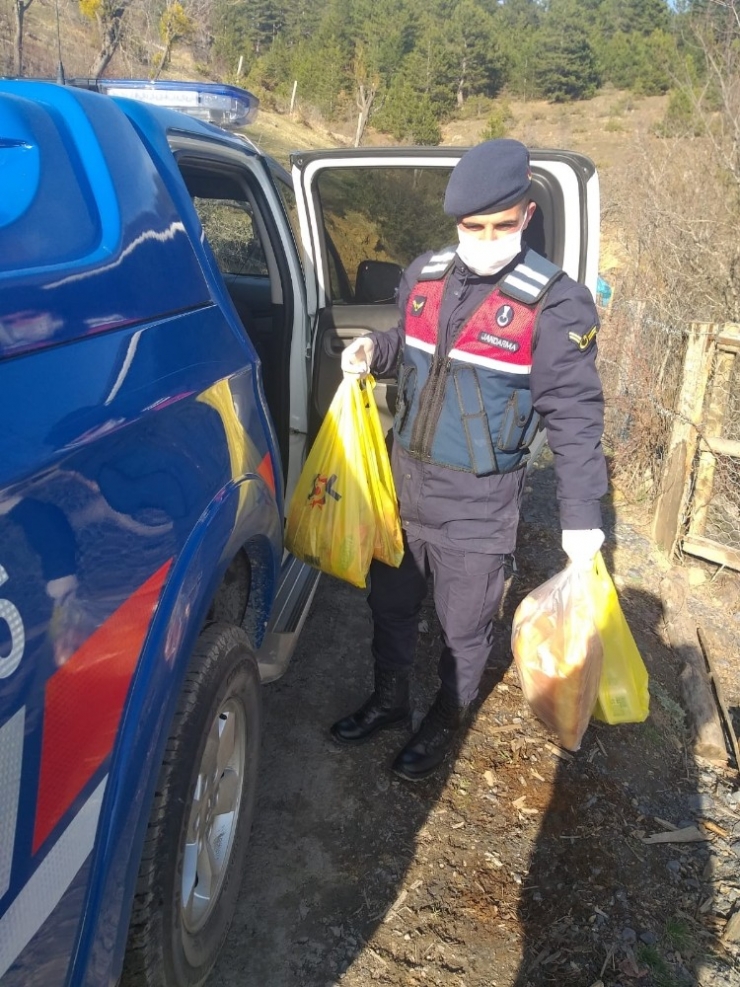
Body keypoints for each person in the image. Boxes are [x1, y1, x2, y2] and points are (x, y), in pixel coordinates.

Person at [332, 138, 607, 782]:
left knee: (464, 628)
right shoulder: (424, 274)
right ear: (455, 222)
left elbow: (573, 415)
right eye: (471, 226)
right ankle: (390, 699)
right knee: (391, 604)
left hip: (479, 501)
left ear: (526, 217)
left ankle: (445, 720)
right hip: (402, 485)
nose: (485, 237)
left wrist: (581, 516)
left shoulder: (556, 303)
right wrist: (375, 347)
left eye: (500, 225)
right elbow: (412, 343)